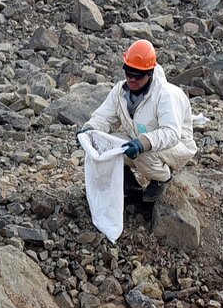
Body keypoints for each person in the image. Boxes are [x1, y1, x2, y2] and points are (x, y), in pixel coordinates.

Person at [79, 38, 197, 203]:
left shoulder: (165, 94)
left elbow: (171, 133)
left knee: (140, 153)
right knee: (103, 144)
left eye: (138, 75)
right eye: (129, 73)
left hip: (175, 147)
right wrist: (89, 130)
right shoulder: (120, 91)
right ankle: (130, 187)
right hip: (140, 139)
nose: (132, 79)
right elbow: (104, 117)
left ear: (149, 73)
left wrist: (143, 143)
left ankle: (162, 178)